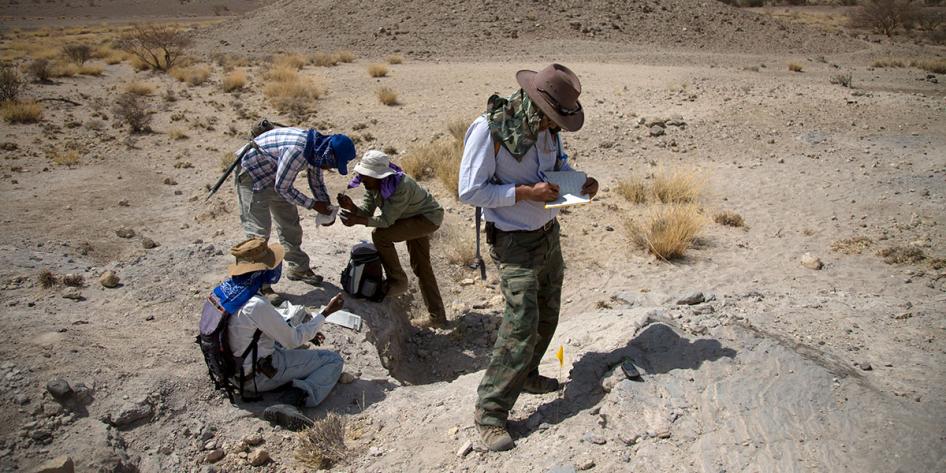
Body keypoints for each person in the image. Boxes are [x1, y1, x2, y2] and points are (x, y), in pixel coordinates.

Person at [458, 64, 599, 451]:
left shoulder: (547, 130)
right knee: (520, 324)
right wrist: (523, 193)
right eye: (551, 118)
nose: (553, 127)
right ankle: (490, 412)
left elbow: (558, 168)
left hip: (548, 235)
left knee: (547, 312)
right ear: (536, 106)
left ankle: (529, 373)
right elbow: (469, 190)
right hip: (513, 241)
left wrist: (582, 183)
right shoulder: (490, 130)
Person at [214, 237, 345, 429]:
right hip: (257, 376)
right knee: (332, 360)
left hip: (233, 369)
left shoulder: (225, 291)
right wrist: (325, 313)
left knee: (292, 330)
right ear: (262, 271)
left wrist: (305, 332)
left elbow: (255, 329)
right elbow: (293, 340)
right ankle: (290, 402)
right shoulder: (256, 304)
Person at [337, 150, 448, 327]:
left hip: (427, 219)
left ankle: (398, 281)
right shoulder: (373, 186)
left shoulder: (401, 186)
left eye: (366, 176)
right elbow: (367, 212)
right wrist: (353, 208)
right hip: (408, 217)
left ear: (379, 176)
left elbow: (386, 221)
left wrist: (357, 220)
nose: (362, 179)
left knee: (380, 236)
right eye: (362, 175)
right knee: (422, 267)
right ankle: (438, 318)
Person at [235, 126, 356, 288]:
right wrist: (313, 205)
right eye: (333, 164)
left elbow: (316, 182)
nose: (330, 168)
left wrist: (326, 209)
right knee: (258, 233)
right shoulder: (298, 150)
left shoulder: (318, 150)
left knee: (289, 223)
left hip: (276, 175)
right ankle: (260, 285)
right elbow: (283, 188)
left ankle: (298, 268)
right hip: (252, 174)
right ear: (329, 155)